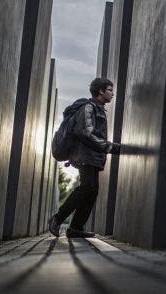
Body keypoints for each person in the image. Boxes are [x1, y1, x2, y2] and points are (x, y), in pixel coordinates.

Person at [48, 77, 121, 238]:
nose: (112, 94)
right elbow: (85, 132)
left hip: (92, 157)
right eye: (110, 90)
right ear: (101, 91)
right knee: (87, 188)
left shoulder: (98, 109)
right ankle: (57, 218)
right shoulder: (88, 107)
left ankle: (75, 228)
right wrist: (109, 146)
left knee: (92, 191)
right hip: (84, 156)